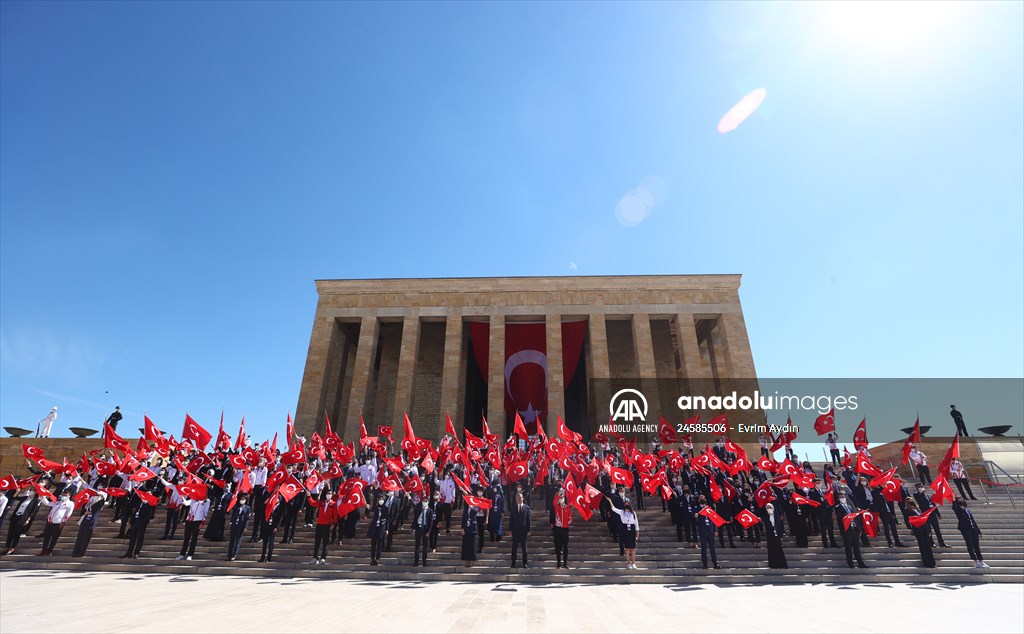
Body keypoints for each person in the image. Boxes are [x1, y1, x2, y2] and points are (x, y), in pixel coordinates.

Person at [952, 496, 989, 568]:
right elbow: (954, 507)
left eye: (961, 499)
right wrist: (954, 501)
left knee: (976, 546)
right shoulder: (958, 510)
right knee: (970, 545)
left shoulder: (967, 509)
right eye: (959, 499)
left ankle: (981, 561)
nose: (961, 500)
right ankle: (976, 562)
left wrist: (978, 531)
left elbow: (973, 520)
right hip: (966, 529)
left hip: (973, 529)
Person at [835, 492, 867, 568]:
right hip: (846, 529)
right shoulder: (837, 507)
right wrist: (848, 516)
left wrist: (859, 528)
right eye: (840, 497)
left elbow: (855, 517)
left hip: (854, 528)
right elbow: (840, 517)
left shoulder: (850, 506)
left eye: (843, 496)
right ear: (838, 499)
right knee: (848, 547)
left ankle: (860, 563)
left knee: (856, 547)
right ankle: (850, 563)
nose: (842, 498)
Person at [3, 488, 40, 555]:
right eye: (31, 490)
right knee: (11, 532)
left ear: (36, 492)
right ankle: (7, 546)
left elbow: (34, 511)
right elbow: (15, 497)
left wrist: (28, 519)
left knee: (17, 533)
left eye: (33, 490)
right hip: (16, 516)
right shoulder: (25, 498)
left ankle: (12, 547)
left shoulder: (36, 500)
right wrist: (17, 492)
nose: (31, 491)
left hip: (23, 518)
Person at [913, 483, 950, 548]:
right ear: (917, 488)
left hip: (933, 514)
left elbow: (933, 505)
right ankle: (931, 543)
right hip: (926, 515)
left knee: (937, 530)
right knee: (928, 530)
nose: (921, 487)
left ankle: (941, 543)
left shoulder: (927, 495)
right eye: (919, 487)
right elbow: (919, 501)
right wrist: (921, 493)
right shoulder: (916, 495)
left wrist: (938, 514)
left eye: (921, 486)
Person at [38, 491, 75, 555]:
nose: (64, 496)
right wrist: (43, 497)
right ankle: (43, 550)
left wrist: (63, 522)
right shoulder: (57, 502)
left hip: (58, 522)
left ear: (69, 496)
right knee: (47, 537)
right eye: (63, 495)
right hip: (50, 521)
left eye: (66, 495)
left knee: (54, 538)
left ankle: (49, 551)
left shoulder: (70, 503)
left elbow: (69, 513)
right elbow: (47, 503)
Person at [608, 497, 640, 570]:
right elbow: (613, 509)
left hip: (632, 529)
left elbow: (636, 522)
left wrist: (637, 531)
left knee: (633, 548)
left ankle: (633, 563)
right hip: (625, 529)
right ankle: (628, 563)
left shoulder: (633, 513)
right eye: (625, 503)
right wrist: (610, 501)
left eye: (628, 503)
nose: (626, 505)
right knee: (628, 548)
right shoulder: (622, 512)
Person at [71, 491, 107, 557]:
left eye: (98, 495)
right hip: (85, 518)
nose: (97, 495)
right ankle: (75, 552)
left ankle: (81, 552)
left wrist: (101, 496)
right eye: (96, 494)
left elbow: (101, 501)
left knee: (86, 536)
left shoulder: (101, 502)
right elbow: (86, 506)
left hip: (92, 519)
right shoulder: (90, 501)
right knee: (80, 535)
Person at [176, 496, 211, 561]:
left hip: (197, 520)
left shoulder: (206, 501)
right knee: (186, 537)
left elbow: (205, 512)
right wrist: (183, 498)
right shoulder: (193, 499)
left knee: (194, 538)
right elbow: (186, 503)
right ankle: (182, 554)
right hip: (189, 520)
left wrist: (202, 522)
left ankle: (190, 554)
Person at [121, 493, 155, 559]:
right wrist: (131, 521)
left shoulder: (149, 504)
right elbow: (135, 512)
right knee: (132, 538)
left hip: (142, 522)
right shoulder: (140, 502)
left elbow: (150, 514)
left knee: (140, 538)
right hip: (135, 521)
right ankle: (129, 553)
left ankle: (136, 552)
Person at [904, 499, 936, 568]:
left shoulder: (918, 509)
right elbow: (907, 520)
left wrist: (928, 530)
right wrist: (910, 528)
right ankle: (926, 563)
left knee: (928, 546)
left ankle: (932, 563)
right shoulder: (907, 511)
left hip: (924, 529)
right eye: (909, 502)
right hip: (917, 530)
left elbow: (925, 519)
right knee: (923, 546)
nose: (911, 502)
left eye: (912, 501)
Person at [307, 491, 335, 564]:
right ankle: (315, 557)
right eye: (327, 493)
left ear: (332, 495)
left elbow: (335, 515)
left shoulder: (333, 504)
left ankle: (323, 558)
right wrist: (309, 496)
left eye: (330, 494)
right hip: (319, 524)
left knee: (325, 542)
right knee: (317, 541)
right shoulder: (321, 503)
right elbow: (313, 503)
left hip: (327, 525)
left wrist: (334, 523)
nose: (328, 495)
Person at [694, 495, 720, 569]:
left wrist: (715, 530)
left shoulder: (709, 508)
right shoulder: (697, 508)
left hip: (710, 530)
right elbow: (695, 518)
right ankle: (705, 564)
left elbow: (712, 519)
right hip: (703, 530)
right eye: (701, 498)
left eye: (704, 498)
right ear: (698, 500)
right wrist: (696, 516)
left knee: (712, 548)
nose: (703, 499)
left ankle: (715, 563)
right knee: (704, 548)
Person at [259, 492, 285, 562]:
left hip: (273, 526)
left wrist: (276, 527)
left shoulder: (280, 508)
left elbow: (280, 518)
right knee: (265, 542)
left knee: (271, 542)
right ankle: (263, 556)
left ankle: (269, 557)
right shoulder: (269, 505)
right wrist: (265, 503)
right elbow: (263, 511)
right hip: (267, 525)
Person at [226, 493, 251, 562]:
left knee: (238, 541)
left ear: (246, 500)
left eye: (243, 499)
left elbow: (246, 518)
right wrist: (231, 521)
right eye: (241, 499)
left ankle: (234, 555)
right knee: (231, 541)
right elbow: (234, 514)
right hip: (234, 524)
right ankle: (229, 555)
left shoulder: (247, 508)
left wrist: (245, 526)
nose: (241, 500)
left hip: (241, 525)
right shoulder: (237, 506)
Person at [509, 492, 531, 569]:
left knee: (524, 548)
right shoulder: (513, 508)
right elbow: (511, 520)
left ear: (523, 498)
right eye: (517, 497)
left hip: (523, 530)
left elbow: (528, 520)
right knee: (514, 547)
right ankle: (513, 563)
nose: (519, 499)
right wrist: (510, 530)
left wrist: (529, 530)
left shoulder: (527, 508)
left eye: (520, 497)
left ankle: (525, 563)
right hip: (515, 530)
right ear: (515, 499)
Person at [761, 503, 787, 569]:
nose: (769, 508)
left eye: (770, 507)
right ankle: (773, 564)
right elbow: (763, 523)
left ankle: (781, 564)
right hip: (770, 536)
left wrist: (780, 536)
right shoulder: (765, 516)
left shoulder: (776, 515)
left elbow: (778, 526)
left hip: (777, 535)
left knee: (779, 550)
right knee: (772, 551)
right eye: (767, 507)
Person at [551, 491, 572, 569]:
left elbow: (570, 517)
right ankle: (558, 563)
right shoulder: (557, 507)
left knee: (565, 547)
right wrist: (558, 494)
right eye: (560, 498)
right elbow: (554, 502)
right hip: (558, 529)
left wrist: (567, 523)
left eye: (562, 498)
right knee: (558, 547)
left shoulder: (567, 508)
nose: (561, 499)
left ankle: (565, 563)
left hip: (565, 529)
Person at [412, 496, 435, 566]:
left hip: (425, 528)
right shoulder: (419, 508)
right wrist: (409, 497)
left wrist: (429, 531)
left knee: (425, 547)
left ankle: (424, 562)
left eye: (426, 501)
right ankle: (416, 562)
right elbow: (413, 505)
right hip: (418, 527)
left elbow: (431, 522)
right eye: (423, 501)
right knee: (417, 546)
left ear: (428, 502)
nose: (424, 503)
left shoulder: (430, 511)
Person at [367, 494, 390, 566]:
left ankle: (377, 558)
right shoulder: (376, 507)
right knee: (373, 543)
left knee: (380, 543)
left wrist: (387, 529)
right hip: (374, 527)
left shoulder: (386, 508)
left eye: (382, 500)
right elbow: (371, 509)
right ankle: (372, 558)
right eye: (380, 499)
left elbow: (387, 519)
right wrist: (368, 507)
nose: (381, 501)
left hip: (381, 527)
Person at [460, 500, 479, 568]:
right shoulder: (466, 509)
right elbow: (463, 518)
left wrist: (472, 507)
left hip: (472, 528)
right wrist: (462, 528)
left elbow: (475, 512)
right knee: (466, 545)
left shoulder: (475, 507)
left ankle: (471, 560)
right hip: (466, 528)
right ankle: (466, 559)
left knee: (471, 545)